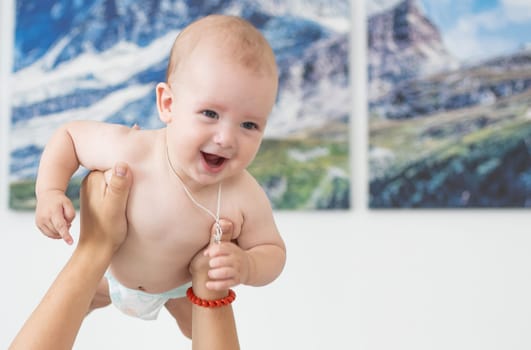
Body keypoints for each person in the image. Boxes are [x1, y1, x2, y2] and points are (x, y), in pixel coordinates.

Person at [34, 14, 286, 338]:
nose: (226, 138)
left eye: (249, 125)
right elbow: (69, 137)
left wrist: (248, 265)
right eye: (210, 114)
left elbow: (273, 251)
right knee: (64, 311)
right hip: (109, 278)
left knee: (206, 334)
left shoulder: (242, 194)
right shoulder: (134, 152)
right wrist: (51, 192)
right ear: (168, 104)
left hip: (178, 291)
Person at [11, 164, 240, 349]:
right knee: (201, 323)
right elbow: (69, 135)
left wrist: (92, 246)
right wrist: (50, 191)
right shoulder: (139, 153)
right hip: (117, 274)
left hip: (172, 282)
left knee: (194, 324)